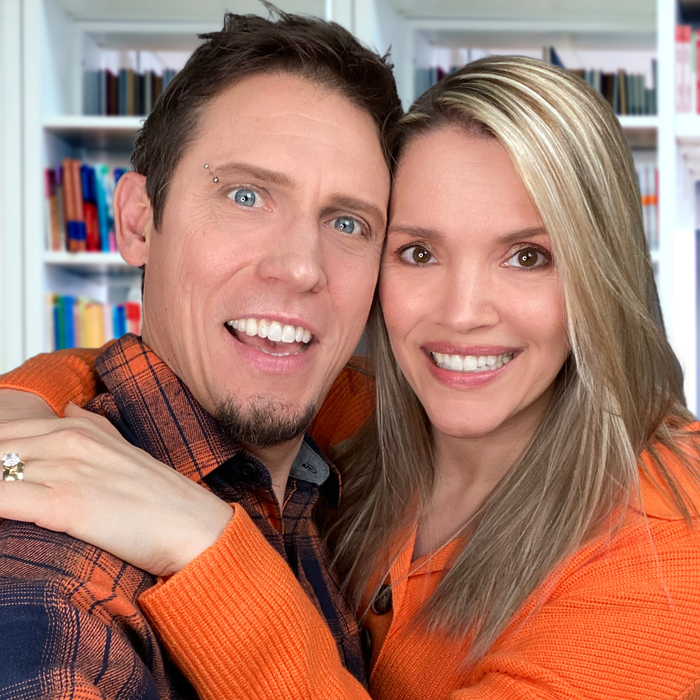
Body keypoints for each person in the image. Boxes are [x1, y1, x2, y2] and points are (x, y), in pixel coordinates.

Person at [3, 55, 700, 700]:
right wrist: (21, 412)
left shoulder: (670, 547)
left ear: (601, 276)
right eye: (419, 252)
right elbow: (158, 367)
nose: (462, 314)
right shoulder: (362, 412)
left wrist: (201, 544)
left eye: (527, 257)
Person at [0, 8, 402, 698]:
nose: (301, 267)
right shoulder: (58, 580)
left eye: (348, 222)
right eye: (246, 195)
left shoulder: (348, 465)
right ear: (138, 221)